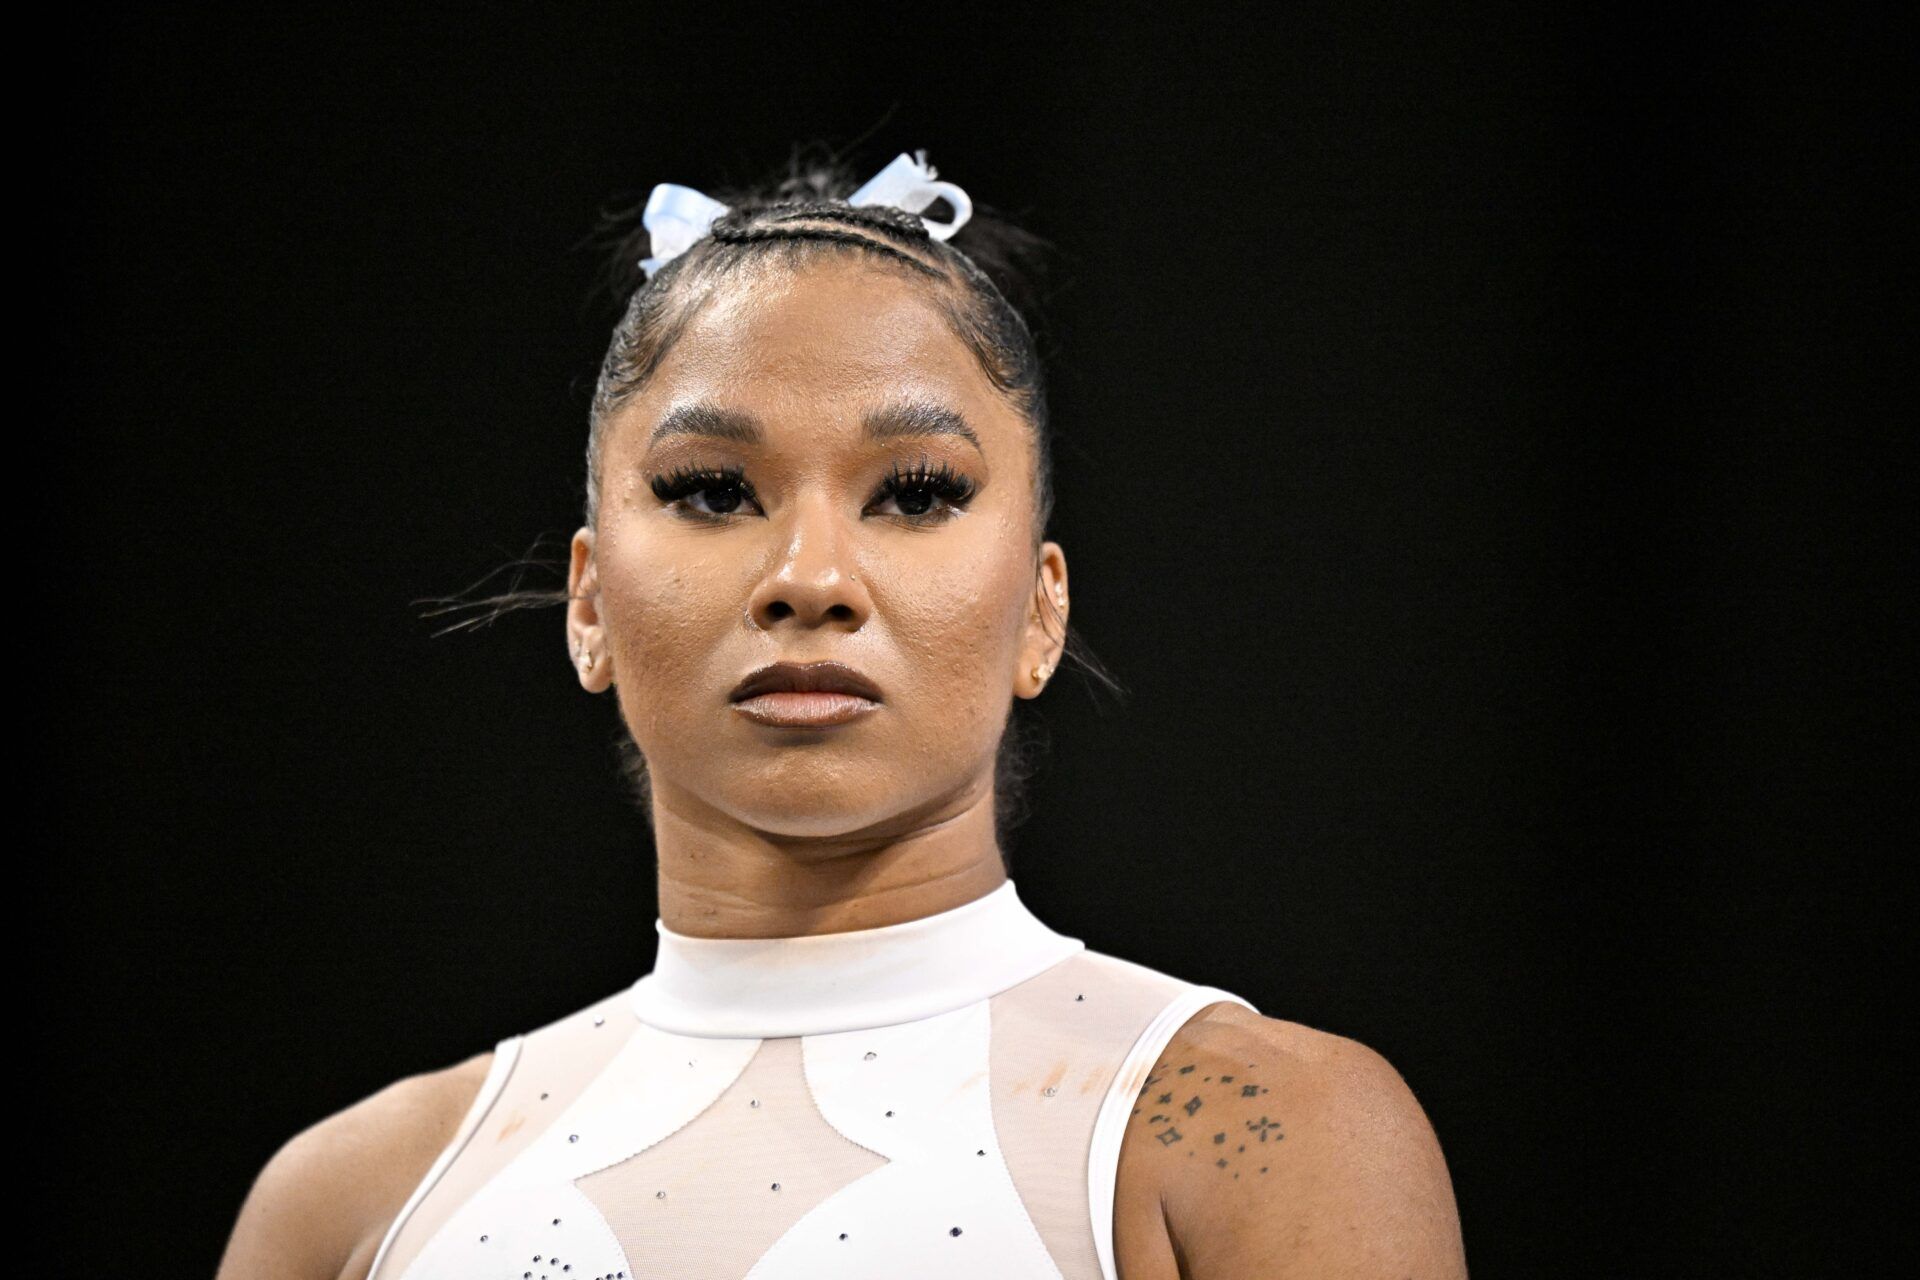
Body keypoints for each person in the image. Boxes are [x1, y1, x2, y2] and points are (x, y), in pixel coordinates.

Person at [215, 146, 1467, 1280]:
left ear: (1041, 609)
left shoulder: (1257, 1132)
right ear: (587, 602)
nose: (808, 577)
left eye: (915, 493)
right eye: (712, 489)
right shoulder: (346, 1203)